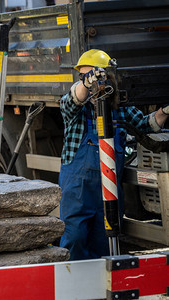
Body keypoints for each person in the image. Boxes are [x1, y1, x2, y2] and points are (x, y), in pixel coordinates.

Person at [59, 49, 168, 260]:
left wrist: (164, 112)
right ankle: (74, 285)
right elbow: (72, 98)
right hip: (78, 191)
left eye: (93, 76)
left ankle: (103, 285)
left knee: (105, 241)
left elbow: (146, 125)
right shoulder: (75, 111)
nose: (89, 82)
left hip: (108, 193)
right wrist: (86, 83)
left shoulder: (119, 109)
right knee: (75, 237)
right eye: (84, 77)